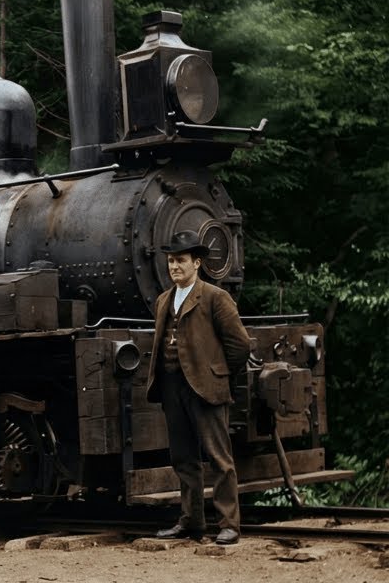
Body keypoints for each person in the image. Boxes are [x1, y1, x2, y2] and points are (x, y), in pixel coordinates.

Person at [145, 230, 252, 545]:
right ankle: (191, 521)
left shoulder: (215, 297)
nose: (174, 267)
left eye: (180, 261)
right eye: (170, 261)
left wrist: (219, 373)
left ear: (197, 263)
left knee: (219, 458)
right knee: (183, 459)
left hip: (206, 388)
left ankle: (229, 524)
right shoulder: (164, 300)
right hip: (172, 388)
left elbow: (240, 345)